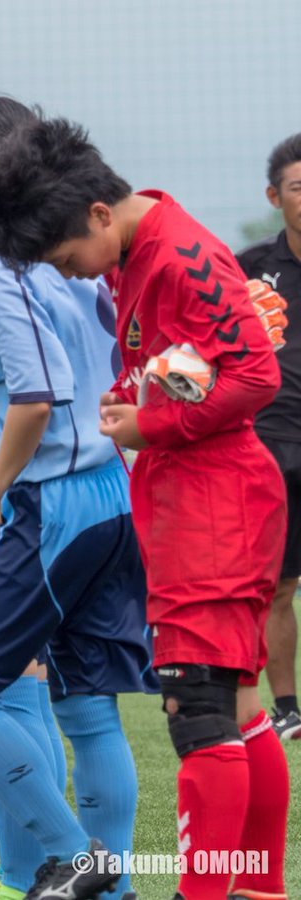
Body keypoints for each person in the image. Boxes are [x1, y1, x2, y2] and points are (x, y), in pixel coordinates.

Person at [0, 115, 290, 900]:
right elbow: (178, 365)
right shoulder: (132, 252)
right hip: (193, 498)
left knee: (198, 712)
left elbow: (254, 380)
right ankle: (252, 888)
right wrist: (135, 399)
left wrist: (149, 424)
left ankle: (205, 892)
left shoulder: (182, 255)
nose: (77, 275)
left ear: (97, 215)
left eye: (67, 259)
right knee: (239, 706)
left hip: (217, 504)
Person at [0, 96, 155, 900]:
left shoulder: (5, 274)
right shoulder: (87, 253)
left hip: (54, 497)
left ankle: (79, 861)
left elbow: (34, 396)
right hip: (113, 492)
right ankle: (116, 886)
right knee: (89, 707)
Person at [236, 132, 301, 740]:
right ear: (274, 195)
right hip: (273, 449)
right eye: (298, 187)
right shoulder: (251, 269)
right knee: (276, 584)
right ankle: (287, 708)